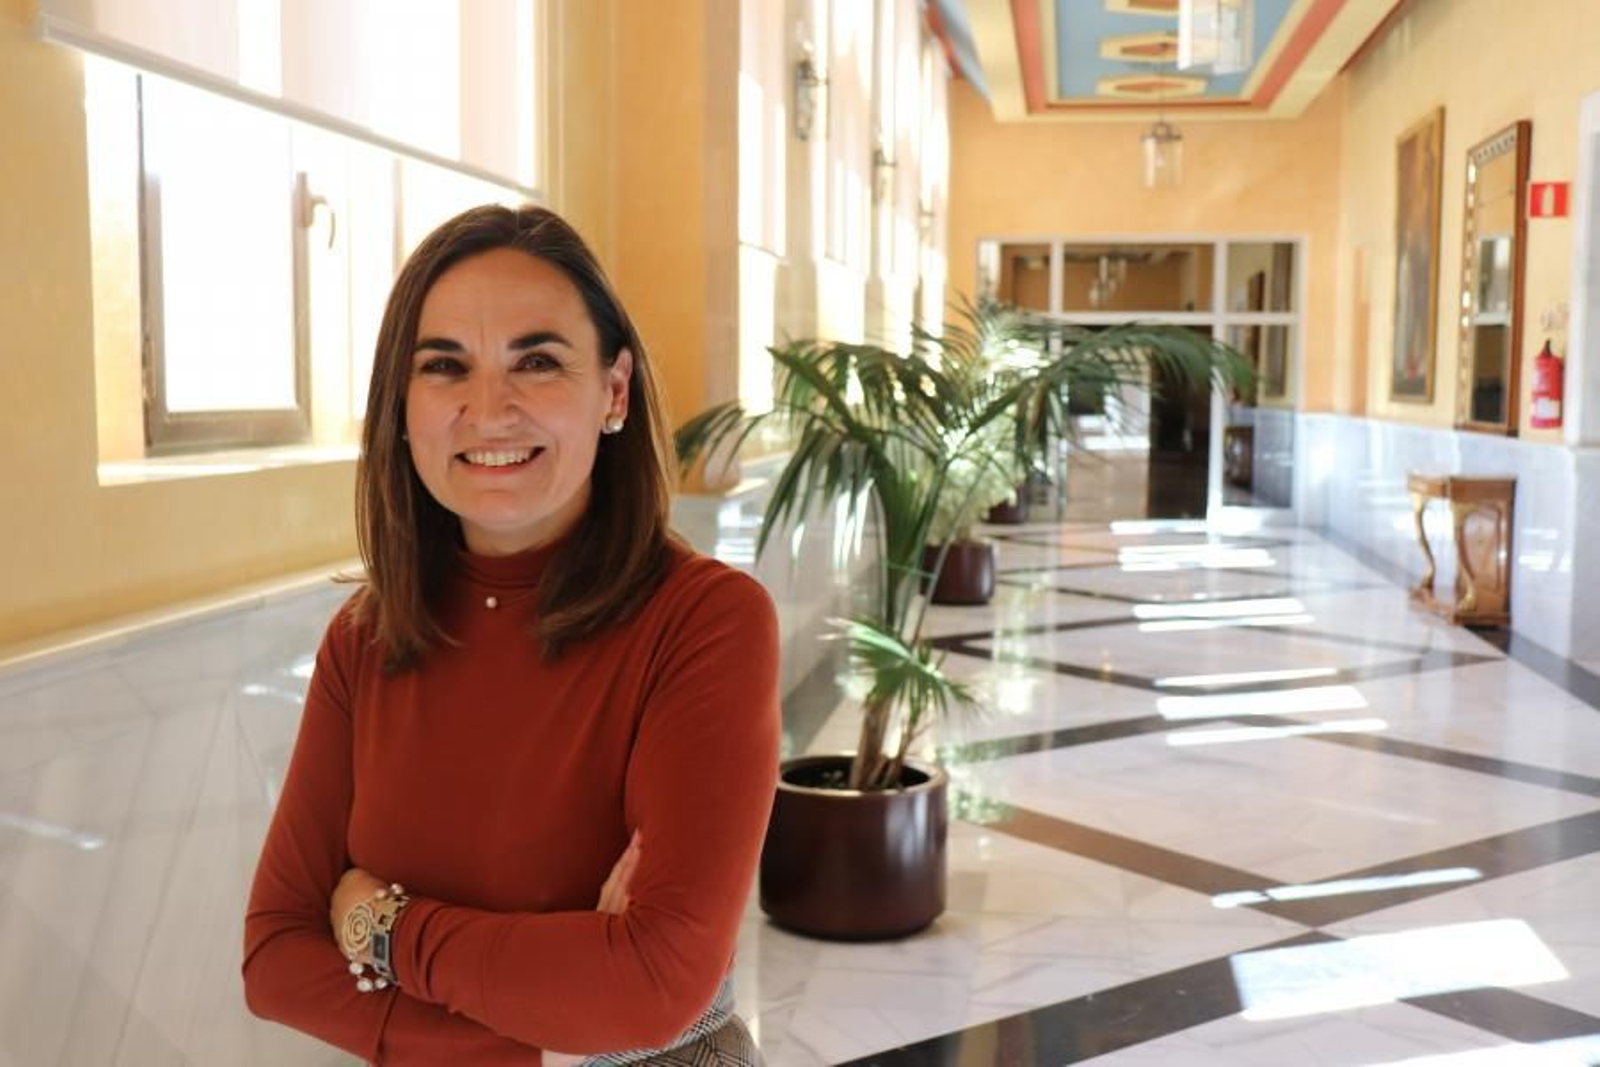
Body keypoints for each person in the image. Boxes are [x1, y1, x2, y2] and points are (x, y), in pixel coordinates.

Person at [243, 204, 781, 1065]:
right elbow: (273, 960)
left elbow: (651, 985)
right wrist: (553, 1021)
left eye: (536, 361)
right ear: (402, 406)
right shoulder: (365, 639)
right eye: (445, 365)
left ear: (614, 391)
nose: (489, 410)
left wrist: (374, 923)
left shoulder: (704, 622)